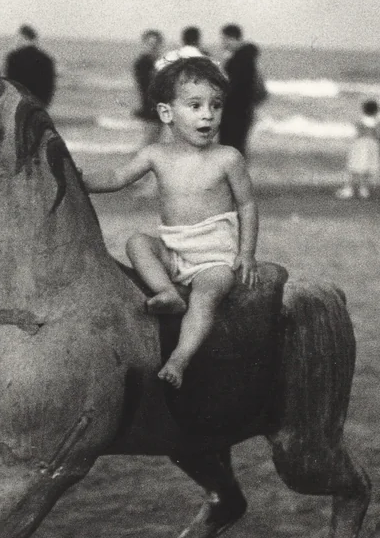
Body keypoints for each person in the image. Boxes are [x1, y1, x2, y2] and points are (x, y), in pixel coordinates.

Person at [82, 56, 259, 389]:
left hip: (214, 259)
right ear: (167, 114)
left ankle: (180, 358)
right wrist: (79, 179)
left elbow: (248, 205)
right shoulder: (156, 154)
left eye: (216, 105)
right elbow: (118, 177)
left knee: (206, 296)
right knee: (137, 242)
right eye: (195, 105)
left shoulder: (228, 158)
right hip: (173, 252)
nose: (208, 114)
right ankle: (167, 292)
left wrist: (246, 254)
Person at [217, 23, 262, 157]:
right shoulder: (246, 57)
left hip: (235, 112)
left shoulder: (239, 59)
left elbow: (234, 87)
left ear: (231, 38)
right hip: (243, 111)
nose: (222, 43)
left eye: (223, 39)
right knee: (237, 148)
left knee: (231, 148)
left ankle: (233, 177)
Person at [337, 99, 380, 199]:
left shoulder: (359, 122)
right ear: (376, 111)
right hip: (372, 146)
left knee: (354, 167)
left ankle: (349, 189)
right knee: (367, 168)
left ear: (363, 110)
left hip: (360, 145)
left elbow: (354, 134)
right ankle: (364, 189)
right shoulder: (377, 123)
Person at [4, 24, 56, 107]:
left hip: (18, 102)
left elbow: (10, 84)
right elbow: (49, 87)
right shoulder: (46, 59)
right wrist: (44, 104)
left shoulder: (13, 57)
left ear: (22, 37)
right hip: (39, 103)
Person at [133, 29, 165, 146]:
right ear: (144, 44)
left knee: (154, 144)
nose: (153, 47)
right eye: (150, 44)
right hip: (150, 109)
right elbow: (147, 87)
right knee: (149, 145)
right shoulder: (143, 63)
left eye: (156, 44)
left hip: (158, 109)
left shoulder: (158, 63)